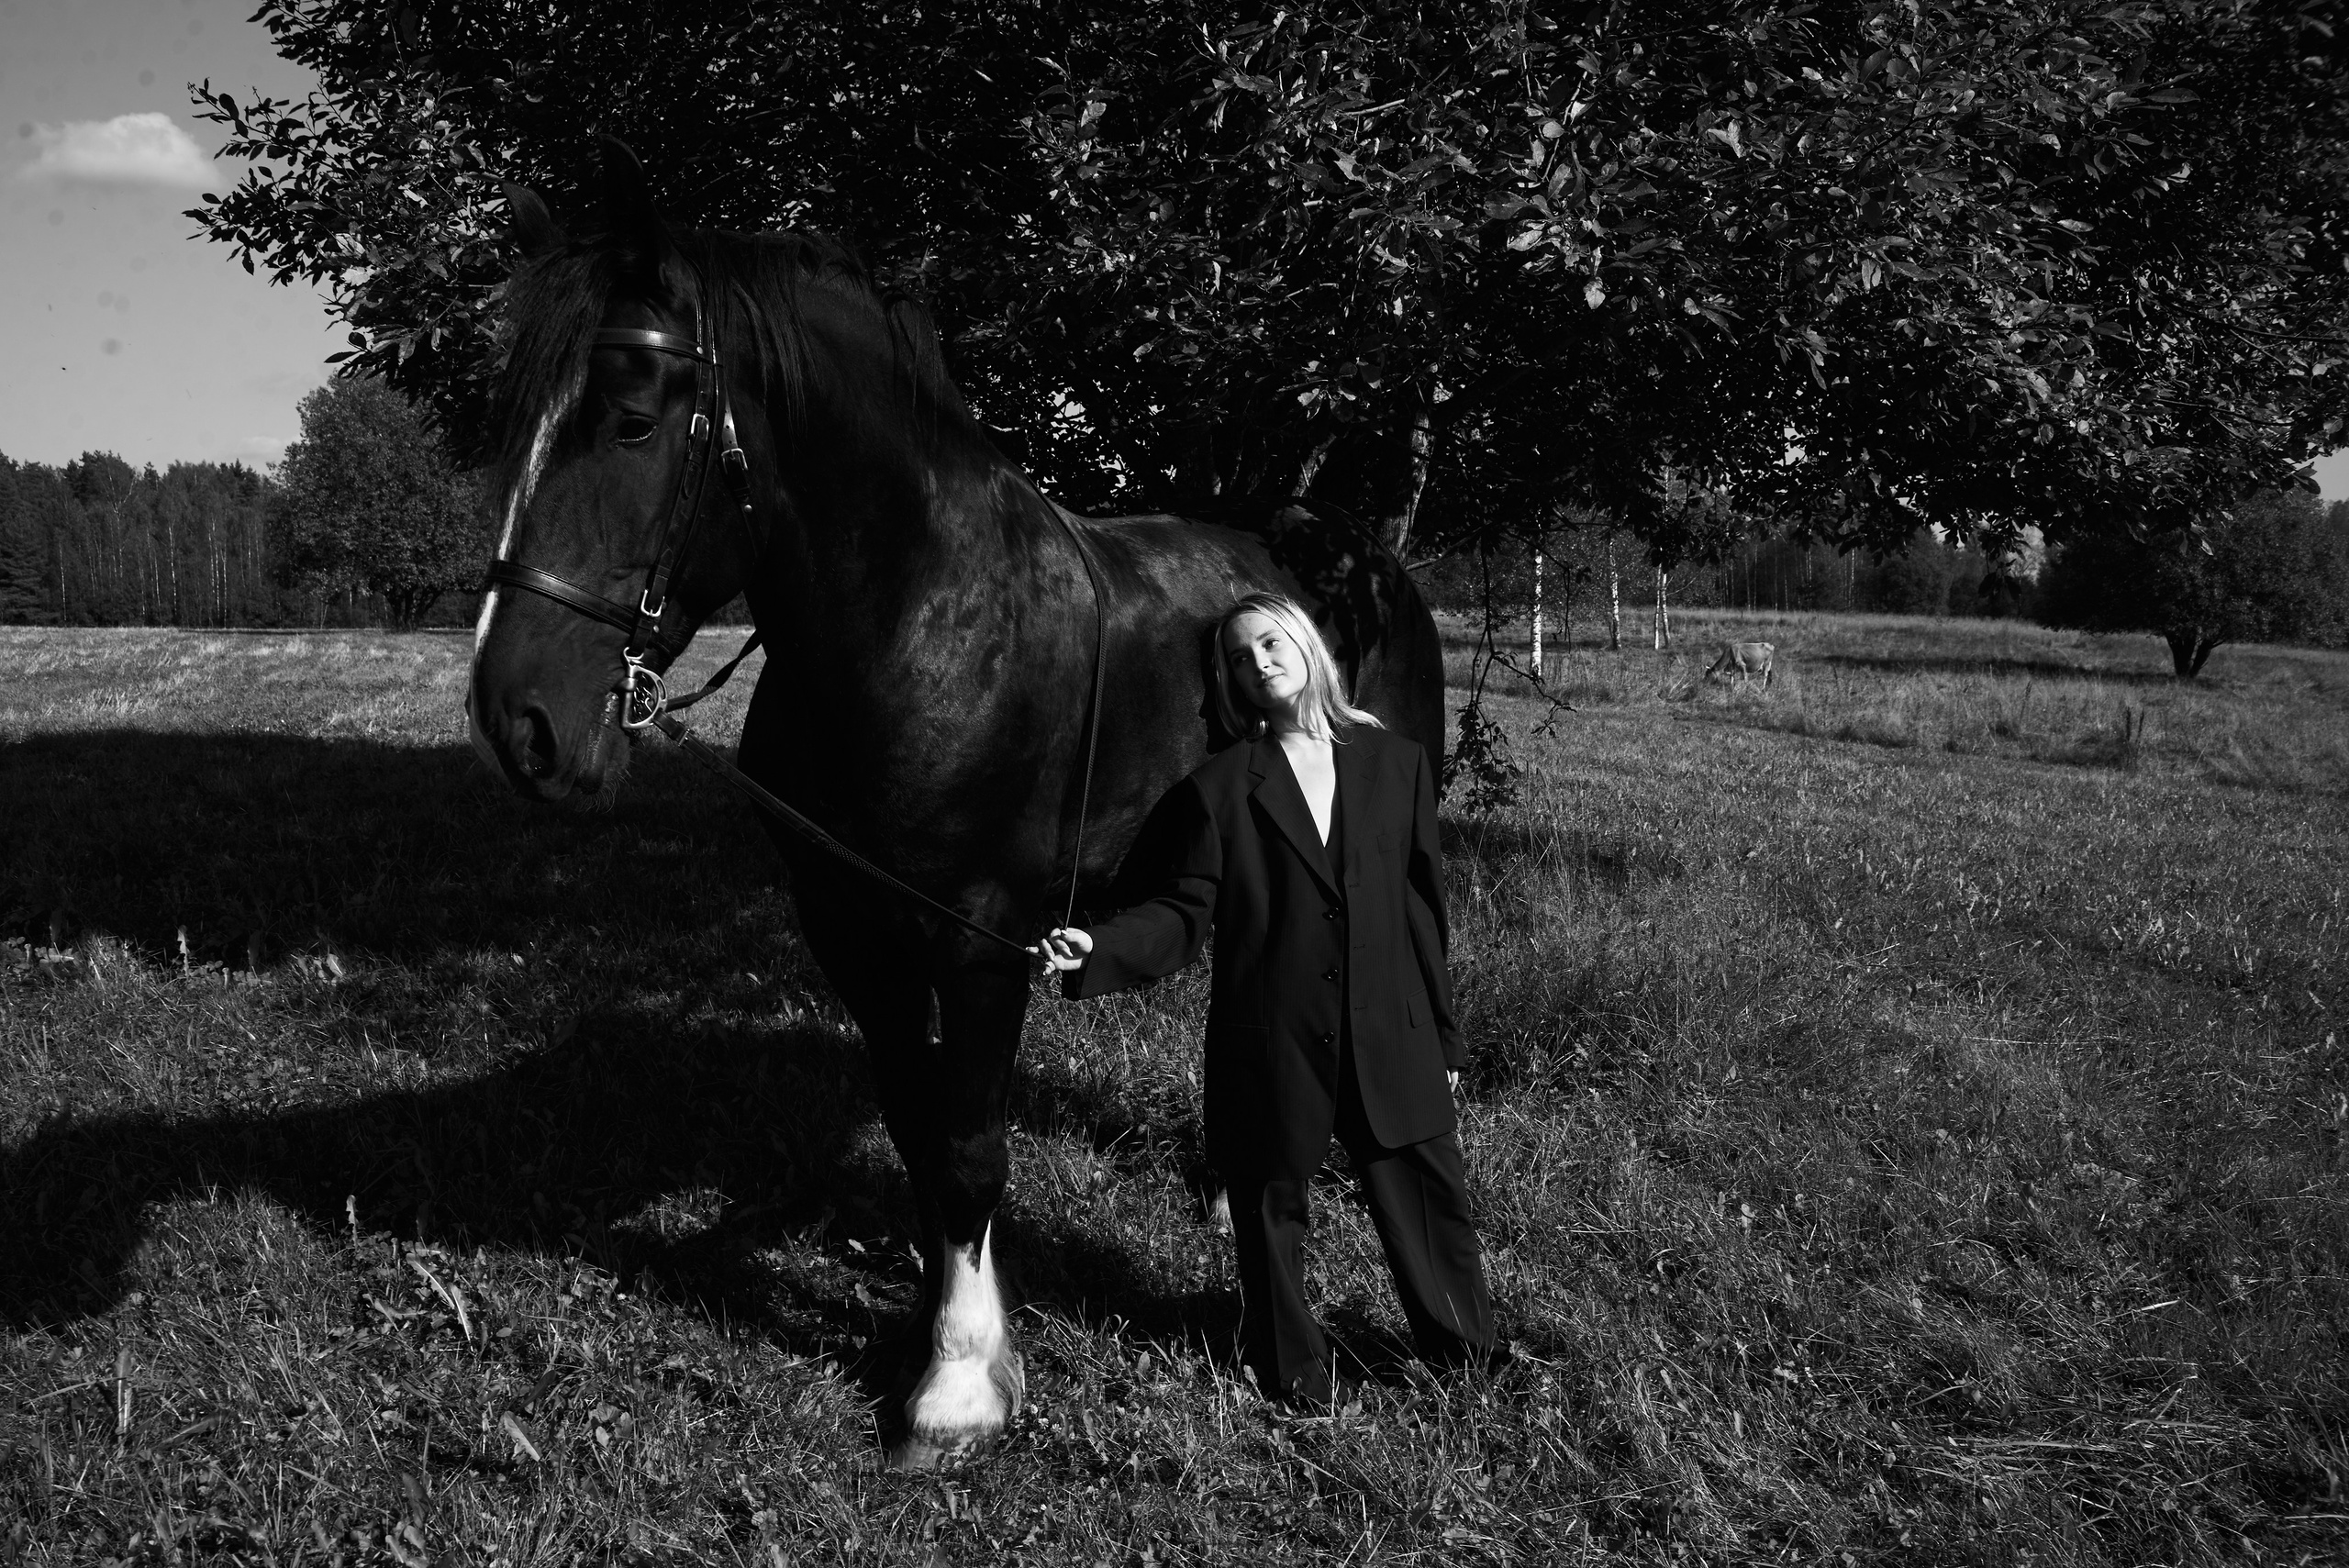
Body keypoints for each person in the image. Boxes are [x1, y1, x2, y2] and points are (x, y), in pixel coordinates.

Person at [1041, 592, 1496, 1407]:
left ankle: (1467, 1357)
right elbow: (1182, 914)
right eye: (1239, 659)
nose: (1258, 663)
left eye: (1269, 643)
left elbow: (1426, 915)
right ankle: (1294, 1379)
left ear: (1306, 643)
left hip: (1392, 1030)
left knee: (1430, 1203)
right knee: (1266, 1216)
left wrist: (1447, 1041)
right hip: (1271, 1039)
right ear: (1231, 685)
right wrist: (1098, 948)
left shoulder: (1397, 763)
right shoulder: (1219, 789)